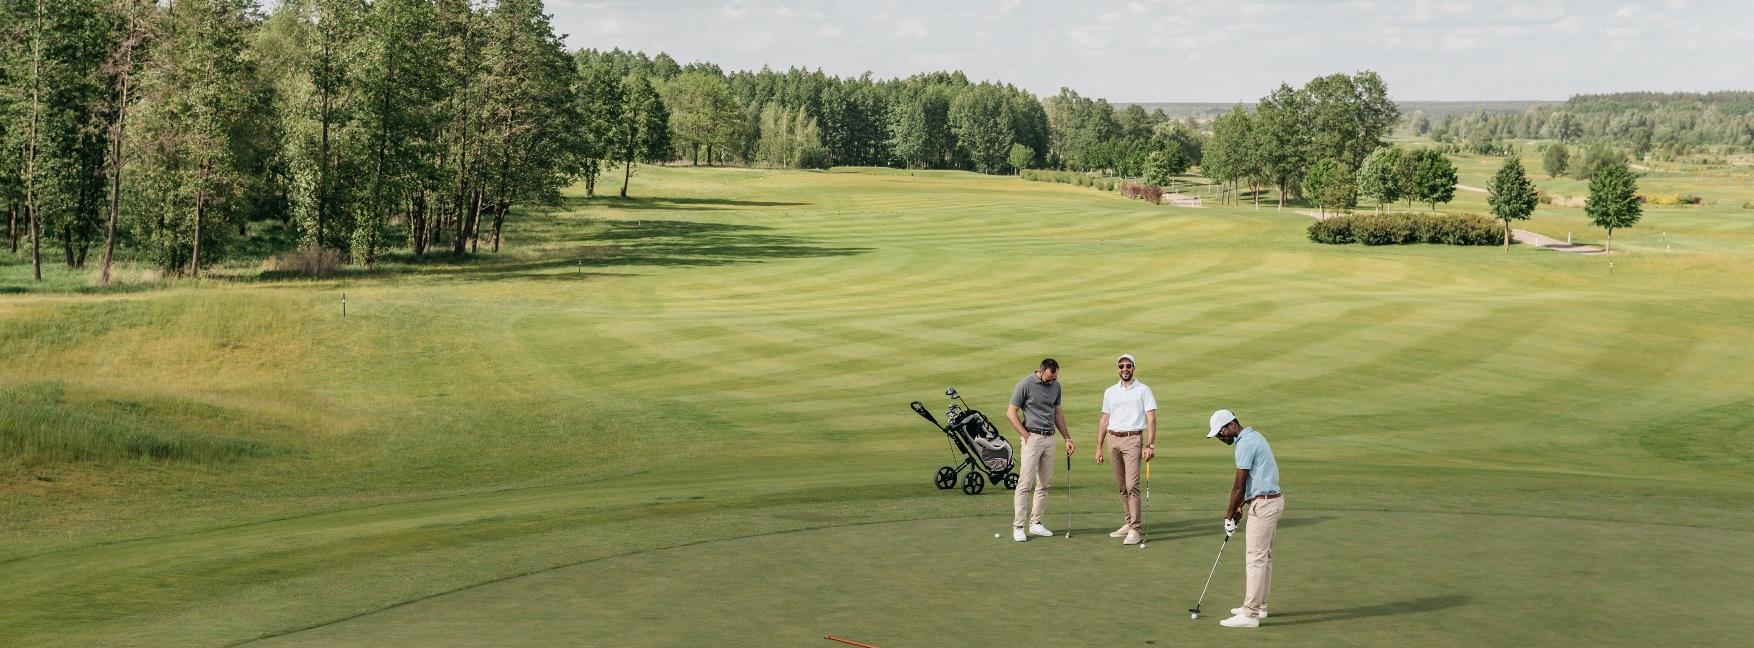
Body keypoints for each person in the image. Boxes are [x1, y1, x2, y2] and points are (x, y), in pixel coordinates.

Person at [1206, 409, 1283, 628]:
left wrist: (1228, 515)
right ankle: (1260, 607)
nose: (1220, 438)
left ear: (1231, 425)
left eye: (1220, 432)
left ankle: (1250, 614)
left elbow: (1239, 486)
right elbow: (1253, 483)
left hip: (1265, 505)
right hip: (1270, 500)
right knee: (1264, 558)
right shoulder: (1254, 437)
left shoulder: (1245, 444)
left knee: (1256, 558)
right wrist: (1240, 508)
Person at [1006, 358, 1075, 542]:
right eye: (1049, 378)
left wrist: (1067, 438)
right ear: (1041, 371)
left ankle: (1036, 523)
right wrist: (1025, 435)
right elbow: (1011, 412)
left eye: (1055, 378)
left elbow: (1058, 413)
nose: (1052, 381)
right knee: (1025, 483)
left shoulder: (1056, 386)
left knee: (1044, 484)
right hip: (1032, 438)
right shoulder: (1025, 385)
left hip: (1050, 438)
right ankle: (1018, 526)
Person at [1093, 354, 1156, 545]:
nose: (1125, 369)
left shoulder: (1143, 390)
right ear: (1117, 369)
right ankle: (1128, 523)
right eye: (1121, 366)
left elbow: (1151, 418)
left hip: (1133, 439)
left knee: (1132, 486)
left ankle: (1135, 530)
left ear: (1134, 368)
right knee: (1122, 487)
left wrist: (1150, 444)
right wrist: (1099, 447)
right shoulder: (1110, 391)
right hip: (1113, 439)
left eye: (1128, 366)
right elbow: (1104, 419)